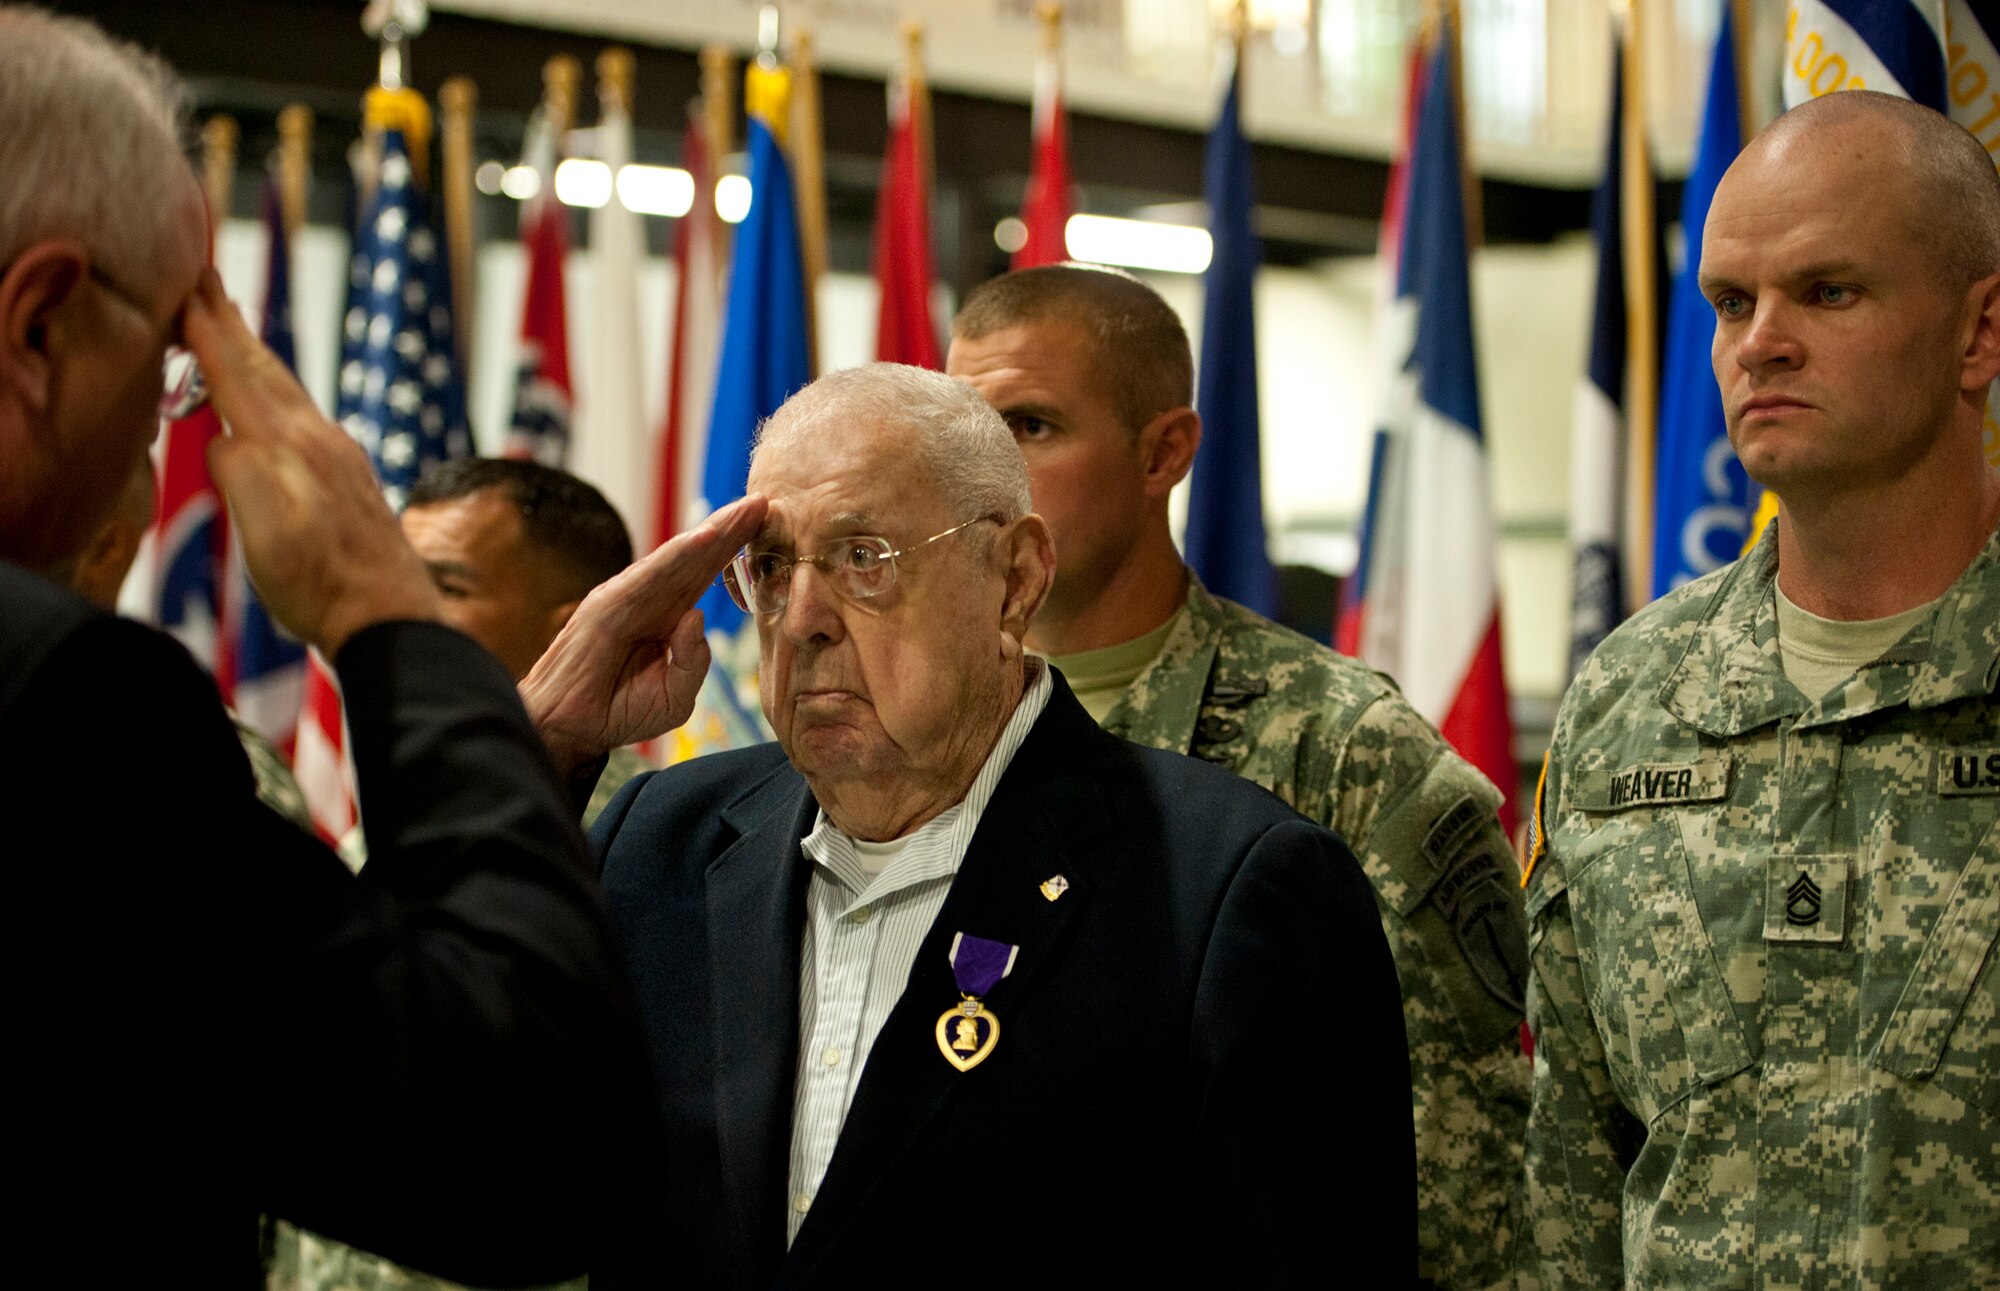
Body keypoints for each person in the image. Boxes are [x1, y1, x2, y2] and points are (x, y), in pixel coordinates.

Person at [0, 10, 763, 1284]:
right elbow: (531, 1150)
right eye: (179, 362)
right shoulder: (65, 700)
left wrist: (520, 739)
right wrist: (379, 605)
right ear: (40, 327)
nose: (167, 422)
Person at [589, 364, 1415, 1287]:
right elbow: (463, 1166)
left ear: (1014, 580)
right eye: (774, 568)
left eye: (865, 556)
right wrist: (539, 744)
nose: (805, 618)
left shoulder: (1228, 888)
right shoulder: (659, 839)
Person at [947, 264, 1528, 1288]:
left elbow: (1452, 1182)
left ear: (1161, 452)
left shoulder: (1343, 752)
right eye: (961, 435)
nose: (983, 477)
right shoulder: (909, 733)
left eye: (1030, 427)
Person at [1516, 91, 2000, 1288]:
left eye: (1826, 292)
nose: (1757, 342)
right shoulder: (1628, 699)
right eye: (1731, 302)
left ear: (1977, 334)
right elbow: (1573, 1178)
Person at [399, 458, 652, 823]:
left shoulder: (647, 834)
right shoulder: (406, 808)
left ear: (575, 635)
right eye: (401, 582)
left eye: (450, 589)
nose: (400, 613)